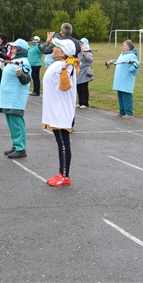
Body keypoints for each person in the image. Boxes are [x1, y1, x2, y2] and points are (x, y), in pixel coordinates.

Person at [43, 38, 80, 187]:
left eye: (55, 47)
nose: (52, 49)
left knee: (64, 144)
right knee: (60, 144)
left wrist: (64, 69)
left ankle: (65, 176)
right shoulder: (58, 64)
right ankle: (61, 172)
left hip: (61, 112)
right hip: (55, 111)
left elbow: (65, 87)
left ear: (63, 52)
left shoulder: (67, 66)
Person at [0, 39, 32, 158]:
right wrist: (2, 65)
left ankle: (21, 148)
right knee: (11, 123)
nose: (12, 50)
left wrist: (19, 70)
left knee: (17, 123)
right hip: (8, 98)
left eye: (14, 48)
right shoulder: (14, 60)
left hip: (15, 98)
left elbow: (26, 80)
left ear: (20, 50)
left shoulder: (23, 62)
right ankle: (16, 144)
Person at [106, 40, 140, 118]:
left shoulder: (132, 55)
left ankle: (129, 113)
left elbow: (137, 64)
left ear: (129, 47)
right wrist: (112, 61)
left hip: (126, 78)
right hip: (120, 78)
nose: (123, 47)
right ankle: (122, 111)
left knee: (126, 95)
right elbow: (119, 62)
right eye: (123, 45)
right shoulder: (122, 54)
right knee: (120, 94)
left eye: (125, 45)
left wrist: (132, 63)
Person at [77, 37, 93, 108]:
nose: (80, 44)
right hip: (79, 70)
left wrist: (85, 54)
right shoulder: (78, 50)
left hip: (85, 70)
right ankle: (80, 102)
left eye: (82, 43)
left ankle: (85, 103)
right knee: (78, 86)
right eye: (80, 43)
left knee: (84, 87)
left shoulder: (88, 51)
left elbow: (90, 60)